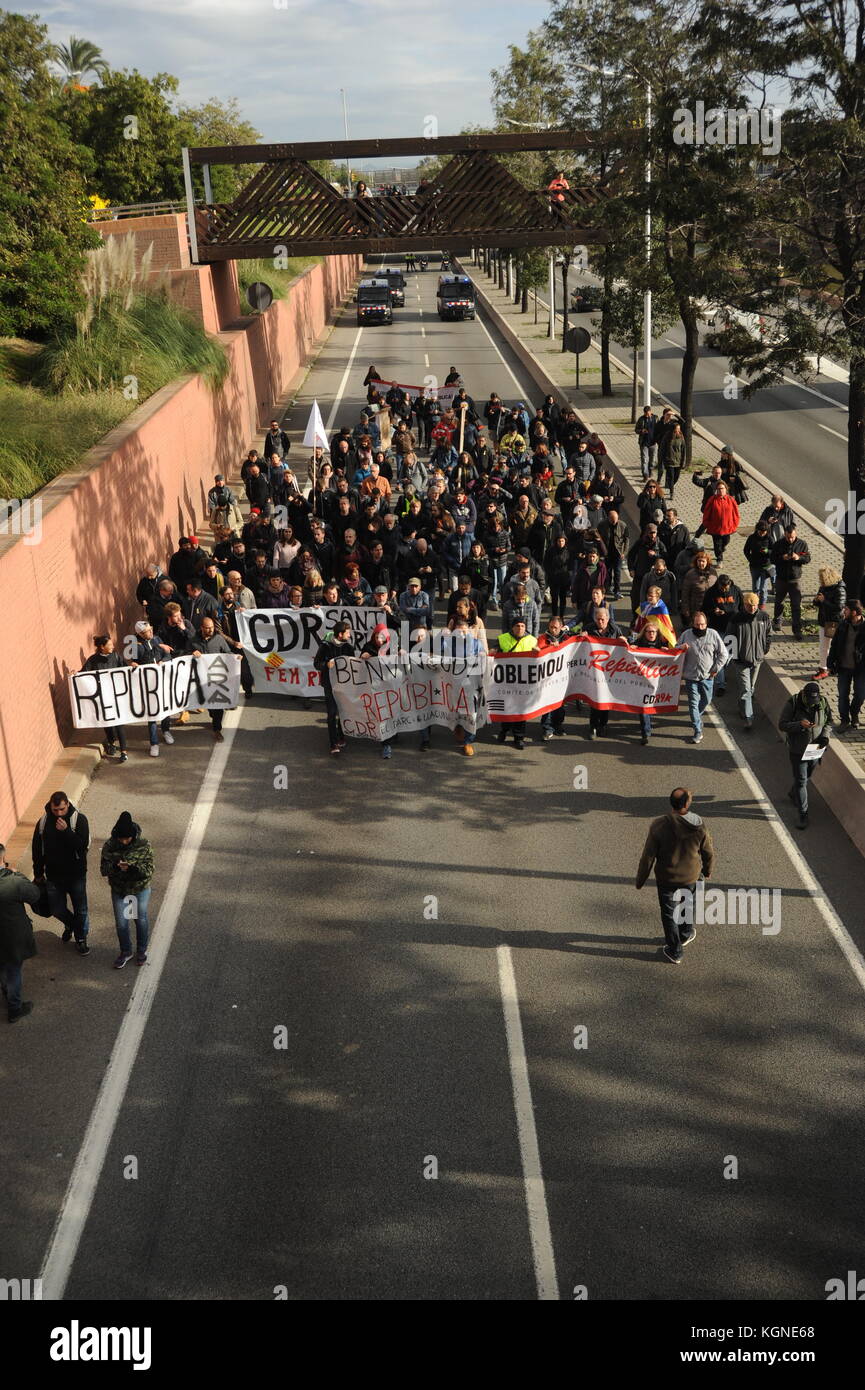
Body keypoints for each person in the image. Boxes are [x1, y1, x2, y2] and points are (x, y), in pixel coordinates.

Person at [635, 787, 715, 964]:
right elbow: (708, 852)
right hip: (690, 877)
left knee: (668, 913)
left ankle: (675, 950)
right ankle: (685, 934)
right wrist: (707, 870)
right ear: (686, 803)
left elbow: (647, 857)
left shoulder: (659, 825)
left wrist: (640, 880)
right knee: (688, 904)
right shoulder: (699, 825)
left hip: (666, 878)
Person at [32, 791, 91, 954]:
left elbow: (82, 846)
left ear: (67, 805)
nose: (58, 813)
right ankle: (72, 925)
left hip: (76, 875)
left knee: (81, 909)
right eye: (55, 809)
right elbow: (37, 850)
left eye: (62, 809)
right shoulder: (43, 823)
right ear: (50, 806)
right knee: (57, 909)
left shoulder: (79, 820)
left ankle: (81, 939)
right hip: (54, 876)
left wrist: (66, 832)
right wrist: (38, 873)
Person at [100, 811, 155, 968]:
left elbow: (150, 870)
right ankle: (126, 951)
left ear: (133, 835)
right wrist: (116, 867)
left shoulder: (143, 845)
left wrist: (133, 869)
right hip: (119, 890)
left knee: (140, 919)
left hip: (139, 889)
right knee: (121, 923)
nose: (124, 842)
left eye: (127, 838)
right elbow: (103, 869)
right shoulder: (110, 846)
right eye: (121, 838)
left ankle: (142, 951)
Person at [778, 680, 832, 829]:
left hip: (815, 749)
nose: (812, 703)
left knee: (806, 777)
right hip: (797, 750)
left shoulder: (822, 703)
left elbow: (829, 722)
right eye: (809, 700)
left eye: (814, 700)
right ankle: (803, 814)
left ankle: (793, 792)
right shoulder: (793, 703)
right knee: (802, 781)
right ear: (804, 695)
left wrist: (825, 737)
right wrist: (799, 725)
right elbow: (782, 724)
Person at [0, 843, 41, 1022]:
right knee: (13, 969)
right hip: (12, 935)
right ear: (2, 857)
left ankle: (6, 992)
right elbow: (34, 894)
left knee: (2, 967)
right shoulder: (13, 881)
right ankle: (14, 1008)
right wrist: (18, 874)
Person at [679, 612, 729, 745]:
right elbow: (675, 651)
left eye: (702, 624)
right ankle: (697, 729)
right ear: (692, 624)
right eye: (697, 624)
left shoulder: (713, 634)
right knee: (693, 704)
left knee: (706, 700)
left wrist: (715, 669)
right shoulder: (686, 635)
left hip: (707, 677)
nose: (700, 627)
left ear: (706, 624)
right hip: (691, 677)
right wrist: (681, 648)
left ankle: (696, 717)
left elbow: (723, 654)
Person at [726, 592, 772, 730]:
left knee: (750, 688)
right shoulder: (736, 618)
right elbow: (729, 638)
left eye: (754, 606)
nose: (752, 608)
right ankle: (748, 718)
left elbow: (768, 635)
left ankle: (742, 707)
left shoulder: (764, 617)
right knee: (746, 689)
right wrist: (734, 656)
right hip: (741, 661)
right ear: (744, 604)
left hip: (757, 659)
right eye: (749, 605)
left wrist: (764, 649)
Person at [130, 620, 174, 755]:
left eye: (151, 629)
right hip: (149, 685)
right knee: (152, 713)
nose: (151, 632)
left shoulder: (157, 639)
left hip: (162, 681)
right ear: (141, 634)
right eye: (148, 631)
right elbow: (133, 662)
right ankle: (154, 743)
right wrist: (133, 664)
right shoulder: (136, 647)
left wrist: (163, 660)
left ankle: (166, 730)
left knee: (166, 708)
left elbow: (167, 654)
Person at [82, 635, 129, 762]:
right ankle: (112, 743)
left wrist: (133, 666)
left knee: (119, 723)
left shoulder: (116, 656)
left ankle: (123, 751)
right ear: (102, 647)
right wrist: (75, 675)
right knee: (107, 722)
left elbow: (125, 668)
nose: (112, 646)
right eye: (109, 645)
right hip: (103, 697)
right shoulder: (93, 660)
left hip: (116, 695)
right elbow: (83, 674)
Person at [314, 619, 357, 754]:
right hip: (330, 686)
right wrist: (326, 665)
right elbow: (316, 664)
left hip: (344, 686)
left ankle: (341, 736)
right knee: (332, 713)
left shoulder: (349, 648)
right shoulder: (325, 646)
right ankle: (333, 744)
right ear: (340, 635)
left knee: (343, 712)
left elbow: (353, 667)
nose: (349, 635)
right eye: (347, 633)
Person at [495, 619, 538, 749]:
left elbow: (540, 658)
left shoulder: (532, 640)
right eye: (517, 626)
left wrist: (539, 652)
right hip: (506, 680)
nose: (520, 628)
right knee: (507, 708)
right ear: (512, 627)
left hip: (523, 681)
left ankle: (519, 737)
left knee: (520, 709)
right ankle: (504, 730)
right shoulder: (503, 638)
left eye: (522, 626)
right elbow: (496, 651)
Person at [582, 606, 622, 739]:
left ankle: (603, 725)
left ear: (608, 618)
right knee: (595, 699)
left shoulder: (615, 629)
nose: (600, 622)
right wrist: (581, 638)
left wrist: (625, 641)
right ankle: (593, 726)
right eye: (598, 619)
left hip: (610, 671)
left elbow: (624, 644)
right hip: (594, 671)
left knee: (606, 699)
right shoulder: (589, 629)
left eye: (603, 619)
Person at [630, 619, 671, 744]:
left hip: (655, 681)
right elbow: (627, 647)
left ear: (657, 633)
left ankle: (647, 724)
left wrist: (667, 652)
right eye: (648, 632)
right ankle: (645, 733)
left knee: (650, 705)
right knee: (643, 707)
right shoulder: (639, 642)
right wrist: (631, 646)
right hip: (641, 680)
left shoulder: (660, 644)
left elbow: (672, 658)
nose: (651, 634)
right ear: (645, 632)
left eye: (653, 632)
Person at [195, 617, 236, 742]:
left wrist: (235, 658)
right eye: (207, 628)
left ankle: (217, 729)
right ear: (201, 628)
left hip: (217, 680)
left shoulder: (219, 639)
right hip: (202, 680)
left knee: (218, 705)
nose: (210, 630)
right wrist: (193, 653)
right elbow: (185, 655)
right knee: (211, 707)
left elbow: (228, 653)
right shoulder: (193, 641)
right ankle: (213, 717)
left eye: (212, 627)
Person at [827, 600, 865, 729]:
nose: (844, 611)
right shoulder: (843, 625)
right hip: (843, 667)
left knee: (860, 694)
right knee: (843, 695)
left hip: (861, 669)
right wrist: (830, 662)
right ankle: (844, 720)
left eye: (847, 610)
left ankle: (854, 714)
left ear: (854, 612)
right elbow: (835, 644)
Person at [771, 525, 810, 638]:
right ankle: (777, 621)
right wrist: (782, 558)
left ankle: (797, 629)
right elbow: (772, 558)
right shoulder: (778, 544)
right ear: (785, 535)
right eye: (788, 537)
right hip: (781, 578)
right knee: (779, 602)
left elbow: (807, 558)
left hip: (795, 580)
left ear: (795, 534)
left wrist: (798, 558)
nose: (790, 539)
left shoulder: (802, 544)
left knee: (796, 605)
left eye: (792, 537)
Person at [812, 566, 847, 679]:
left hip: (834, 622)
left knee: (833, 646)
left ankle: (830, 667)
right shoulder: (823, 587)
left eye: (822, 578)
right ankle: (824, 668)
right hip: (824, 620)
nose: (820, 580)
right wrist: (816, 601)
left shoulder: (839, 589)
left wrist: (824, 601)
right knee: (824, 646)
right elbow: (817, 603)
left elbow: (839, 607)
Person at [538, 615, 568, 740]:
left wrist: (560, 647)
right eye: (551, 627)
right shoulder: (542, 638)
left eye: (555, 627)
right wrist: (551, 648)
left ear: (561, 627)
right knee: (548, 704)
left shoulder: (566, 638)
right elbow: (538, 652)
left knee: (560, 704)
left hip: (562, 678)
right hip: (547, 678)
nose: (553, 630)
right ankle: (547, 728)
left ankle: (558, 725)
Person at [701, 480, 740, 565]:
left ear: (726, 489)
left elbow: (736, 514)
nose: (720, 490)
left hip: (728, 527)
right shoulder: (712, 500)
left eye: (722, 488)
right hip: (715, 528)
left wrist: (735, 524)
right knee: (717, 544)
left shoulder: (731, 500)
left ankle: (721, 550)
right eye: (718, 489)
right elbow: (707, 512)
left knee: (726, 541)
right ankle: (719, 559)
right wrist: (706, 523)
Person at [743, 519, 774, 608]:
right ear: (757, 530)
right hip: (754, 565)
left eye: (764, 532)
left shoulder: (769, 538)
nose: (762, 534)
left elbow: (775, 551)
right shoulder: (751, 538)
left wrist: (767, 551)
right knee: (755, 587)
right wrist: (750, 559)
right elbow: (746, 550)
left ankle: (762, 603)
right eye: (760, 532)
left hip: (766, 566)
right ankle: (755, 601)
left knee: (763, 587)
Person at [635, 405, 657, 480]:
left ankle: (650, 471)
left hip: (653, 443)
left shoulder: (655, 418)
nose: (647, 415)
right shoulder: (641, 419)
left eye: (648, 414)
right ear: (644, 413)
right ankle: (645, 475)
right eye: (646, 414)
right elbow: (636, 429)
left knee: (652, 460)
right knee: (644, 460)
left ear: (651, 412)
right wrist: (641, 431)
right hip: (644, 443)